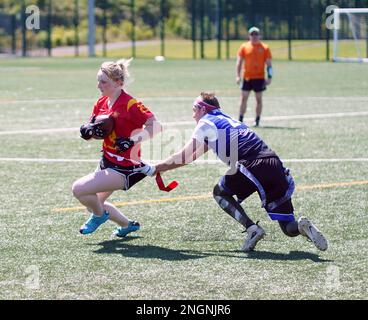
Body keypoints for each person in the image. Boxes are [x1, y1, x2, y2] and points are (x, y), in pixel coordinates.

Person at [135, 92, 328, 253]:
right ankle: (302, 228)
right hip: (272, 162)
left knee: (220, 192)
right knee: (288, 227)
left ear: (203, 109)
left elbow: (182, 155)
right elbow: (190, 158)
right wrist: (157, 168)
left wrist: (154, 168)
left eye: (194, 110)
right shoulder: (226, 120)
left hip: (251, 164)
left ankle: (252, 229)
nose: (193, 115)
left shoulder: (205, 123)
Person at [72, 58, 162, 237]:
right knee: (93, 203)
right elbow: (98, 133)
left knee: (79, 189)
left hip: (126, 167)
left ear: (119, 83)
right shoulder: (101, 102)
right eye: (98, 80)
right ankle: (127, 225)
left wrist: (132, 140)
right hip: (107, 160)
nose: (99, 85)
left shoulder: (130, 104)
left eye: (103, 82)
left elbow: (156, 126)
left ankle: (99, 216)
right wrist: (87, 133)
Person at [236, 26, 273, 127]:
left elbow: (269, 64)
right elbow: (239, 62)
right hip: (247, 77)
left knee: (258, 99)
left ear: (259, 35)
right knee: (243, 98)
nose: (254, 36)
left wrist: (270, 77)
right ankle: (240, 119)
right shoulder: (244, 47)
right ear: (249, 36)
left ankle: (257, 120)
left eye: (256, 34)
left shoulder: (265, 48)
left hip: (259, 78)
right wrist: (238, 76)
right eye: (252, 34)